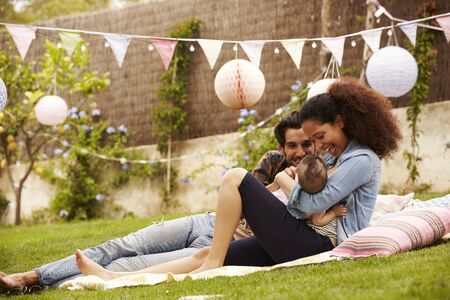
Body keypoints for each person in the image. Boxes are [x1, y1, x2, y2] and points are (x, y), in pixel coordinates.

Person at [73, 77, 402, 279]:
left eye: (320, 135)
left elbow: (312, 205)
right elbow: (311, 203)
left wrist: (288, 183)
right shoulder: (334, 156)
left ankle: (214, 263)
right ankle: (112, 277)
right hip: (302, 235)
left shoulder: (361, 159)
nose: (317, 145)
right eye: (314, 138)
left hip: (316, 242)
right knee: (204, 253)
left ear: (342, 121)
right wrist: (302, 191)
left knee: (234, 177)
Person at [0, 111, 314, 290]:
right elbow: (247, 197)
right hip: (205, 220)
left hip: (222, 242)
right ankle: (33, 275)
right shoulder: (272, 161)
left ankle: (33, 285)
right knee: (118, 246)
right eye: (292, 145)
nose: (299, 152)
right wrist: (279, 180)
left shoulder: (318, 176)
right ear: (280, 146)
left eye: (306, 144)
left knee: (126, 264)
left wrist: (288, 183)